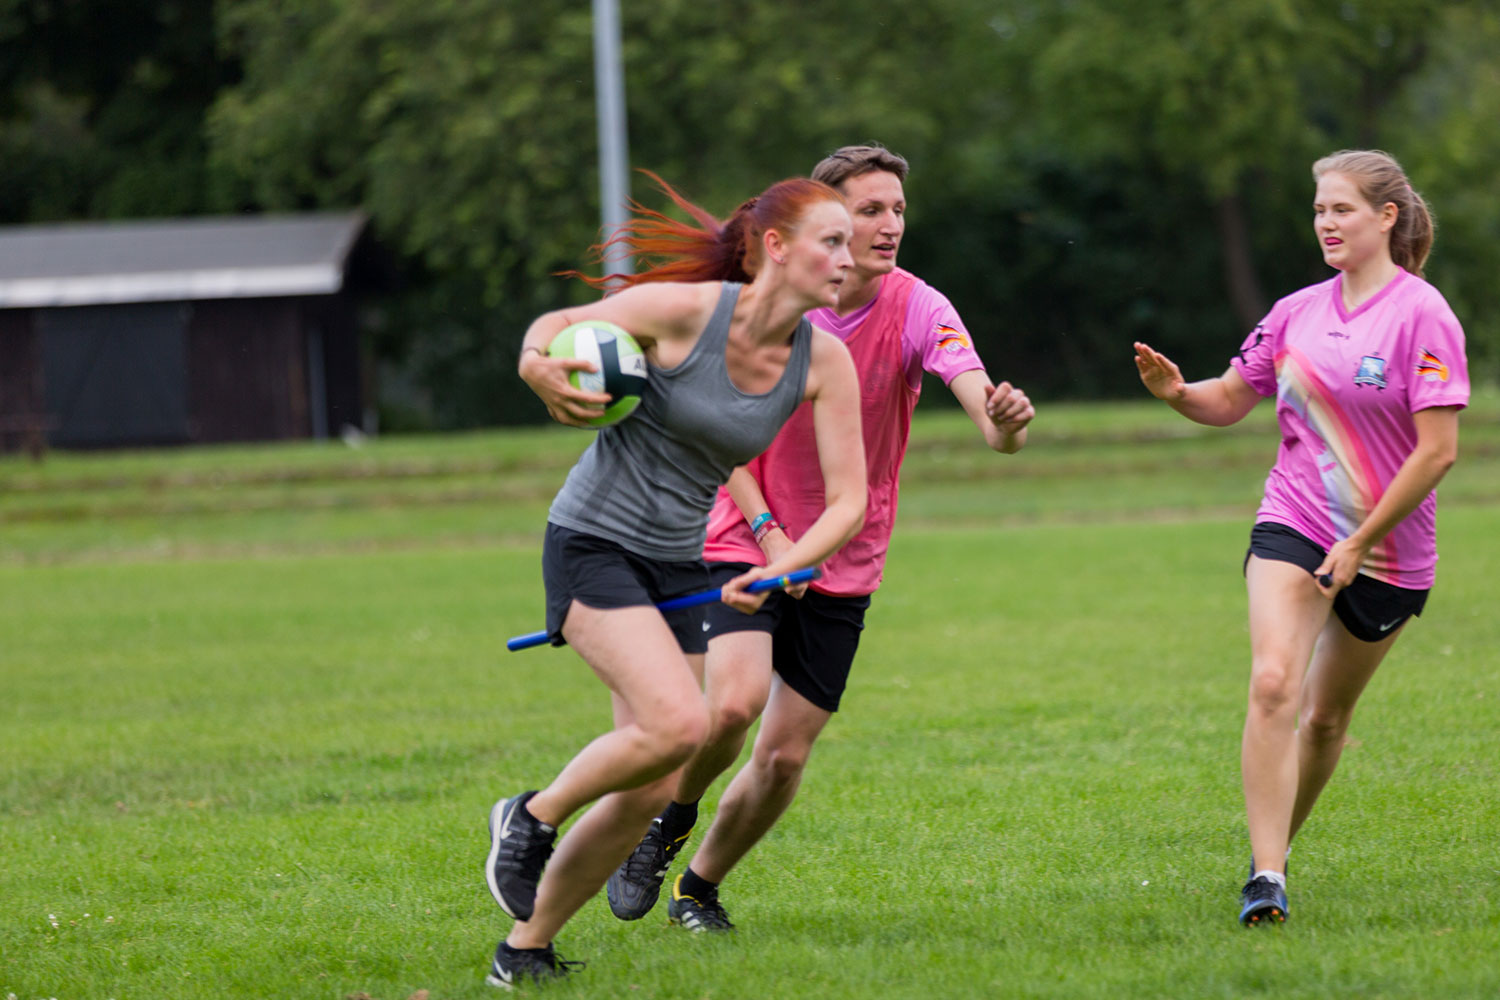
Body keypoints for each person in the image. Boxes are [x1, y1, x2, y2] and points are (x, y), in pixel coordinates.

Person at [603, 143, 1036, 932]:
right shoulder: (768, 300)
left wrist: (1004, 425)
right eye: (870, 210)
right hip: (746, 527)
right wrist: (771, 538)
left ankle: (697, 888)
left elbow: (982, 409)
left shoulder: (920, 307)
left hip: (849, 555)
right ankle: (669, 819)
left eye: (898, 210)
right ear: (825, 221)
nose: (889, 225)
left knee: (784, 758)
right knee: (730, 708)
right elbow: (712, 438)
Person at [483, 174, 869, 987]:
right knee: (679, 727)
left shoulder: (823, 359)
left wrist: (783, 563)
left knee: (653, 777)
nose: (848, 256)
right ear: (775, 247)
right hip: (592, 541)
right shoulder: (689, 314)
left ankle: (524, 949)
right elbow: (558, 326)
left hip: (677, 560)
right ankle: (530, 814)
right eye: (831, 241)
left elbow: (850, 502)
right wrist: (534, 363)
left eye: (849, 244)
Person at [1133, 149, 1468, 926]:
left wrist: (1361, 542)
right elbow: (1227, 400)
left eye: (1341, 209)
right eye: (1319, 209)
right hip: (1296, 519)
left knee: (1324, 719)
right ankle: (1270, 878)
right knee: (1274, 683)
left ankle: (1268, 851)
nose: (1325, 222)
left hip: (1391, 553)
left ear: (1386, 217)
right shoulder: (1294, 312)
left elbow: (1438, 452)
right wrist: (1176, 391)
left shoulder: (1424, 314)